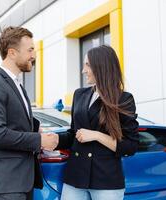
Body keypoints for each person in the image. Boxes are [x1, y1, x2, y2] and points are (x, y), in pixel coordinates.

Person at [0, 26, 58, 200]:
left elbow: (14, 123)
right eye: (30, 50)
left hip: (21, 180)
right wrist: (39, 140)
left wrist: (36, 129)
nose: (34, 55)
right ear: (12, 53)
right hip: (7, 182)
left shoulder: (17, 85)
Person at [57, 45, 139, 200]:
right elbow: (74, 134)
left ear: (101, 66)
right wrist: (54, 139)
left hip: (106, 182)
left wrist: (96, 135)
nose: (83, 70)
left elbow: (131, 146)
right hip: (75, 179)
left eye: (87, 65)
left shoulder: (123, 99)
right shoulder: (79, 94)